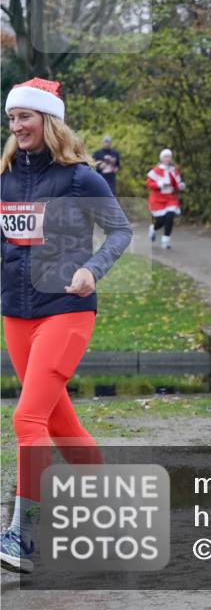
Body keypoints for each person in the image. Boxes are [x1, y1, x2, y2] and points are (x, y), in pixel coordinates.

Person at [1, 78, 133, 573]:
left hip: (66, 310)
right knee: (60, 424)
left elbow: (120, 231)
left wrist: (91, 270)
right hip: (16, 314)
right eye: (11, 119)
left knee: (27, 420)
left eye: (25, 117)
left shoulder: (80, 178)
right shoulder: (5, 176)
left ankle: (24, 535)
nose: (17, 127)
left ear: (48, 120)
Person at [146, 148, 185, 249]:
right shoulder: (155, 170)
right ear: (161, 158)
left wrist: (181, 185)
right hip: (157, 199)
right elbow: (149, 184)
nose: (168, 159)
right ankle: (153, 228)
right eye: (166, 157)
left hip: (170, 198)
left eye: (169, 157)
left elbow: (178, 182)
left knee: (170, 216)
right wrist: (160, 184)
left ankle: (166, 240)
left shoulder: (174, 170)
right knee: (161, 221)